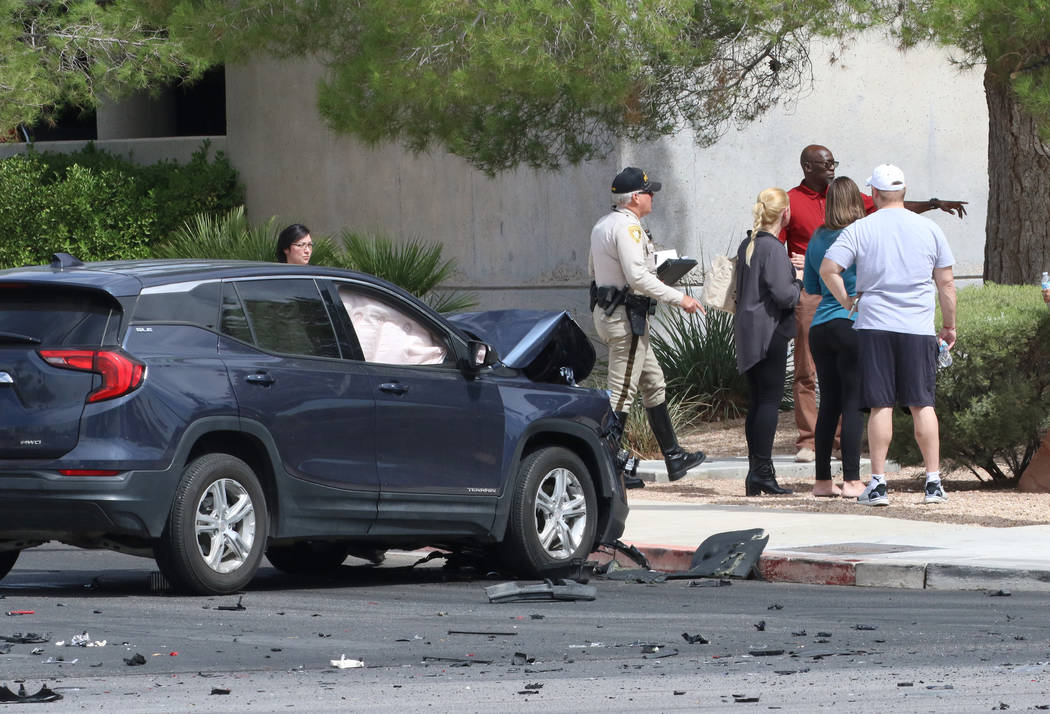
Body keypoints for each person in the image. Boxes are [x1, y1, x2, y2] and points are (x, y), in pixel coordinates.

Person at [781, 144, 967, 464]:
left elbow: (895, 207)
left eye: (833, 163)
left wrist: (934, 203)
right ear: (807, 167)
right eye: (824, 164)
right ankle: (810, 441)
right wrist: (791, 268)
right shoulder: (792, 201)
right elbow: (775, 241)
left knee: (861, 389)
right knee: (806, 371)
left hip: (858, 305)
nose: (831, 168)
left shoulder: (858, 213)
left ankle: (850, 452)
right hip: (814, 295)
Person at [820, 164, 957, 506]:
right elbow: (947, 283)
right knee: (922, 403)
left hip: (875, 323)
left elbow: (828, 269)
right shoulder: (929, 228)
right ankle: (933, 482)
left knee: (881, 404)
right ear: (905, 191)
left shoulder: (860, 229)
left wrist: (848, 302)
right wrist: (949, 325)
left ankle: (878, 483)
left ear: (875, 194)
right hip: (917, 326)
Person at [589, 167, 706, 487]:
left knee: (653, 382)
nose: (652, 196)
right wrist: (679, 298)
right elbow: (637, 278)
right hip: (626, 320)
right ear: (635, 198)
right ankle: (609, 469)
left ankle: (674, 456)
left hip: (617, 315)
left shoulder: (604, 224)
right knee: (621, 393)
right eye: (648, 192)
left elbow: (596, 270)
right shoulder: (628, 228)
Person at [734, 188, 802, 496]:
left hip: (749, 330)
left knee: (757, 401)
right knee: (769, 403)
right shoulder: (773, 248)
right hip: (770, 332)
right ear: (785, 214)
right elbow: (786, 295)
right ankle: (761, 471)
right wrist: (799, 278)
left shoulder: (747, 244)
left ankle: (757, 470)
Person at [803, 177, 867, 498]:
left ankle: (822, 481)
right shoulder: (861, 233)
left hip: (820, 327)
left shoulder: (817, 237)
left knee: (828, 404)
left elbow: (812, 287)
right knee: (853, 403)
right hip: (851, 320)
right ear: (856, 201)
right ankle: (853, 480)